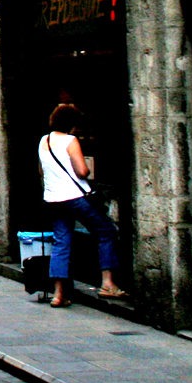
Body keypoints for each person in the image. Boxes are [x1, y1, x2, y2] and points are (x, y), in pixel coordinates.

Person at [40, 103, 127, 307]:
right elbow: (83, 171)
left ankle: (58, 293)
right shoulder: (71, 141)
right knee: (106, 232)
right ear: (71, 123)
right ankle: (108, 283)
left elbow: (42, 172)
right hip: (75, 197)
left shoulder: (44, 141)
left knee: (61, 242)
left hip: (53, 199)